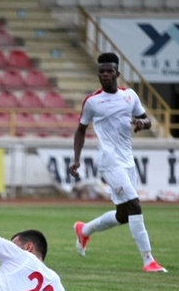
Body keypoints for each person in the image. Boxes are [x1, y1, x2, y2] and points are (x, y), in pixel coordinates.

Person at [69, 52, 167, 273]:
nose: (104, 75)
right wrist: (76, 160)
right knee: (135, 205)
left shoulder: (130, 96)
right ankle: (148, 260)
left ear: (117, 73)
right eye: (101, 71)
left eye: (108, 71)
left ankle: (84, 230)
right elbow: (80, 130)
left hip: (127, 160)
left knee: (124, 215)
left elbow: (147, 120)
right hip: (109, 161)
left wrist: (142, 124)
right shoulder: (92, 101)